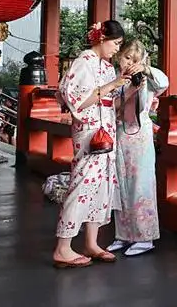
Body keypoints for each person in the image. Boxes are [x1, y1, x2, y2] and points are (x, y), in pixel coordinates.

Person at [52, 20, 143, 269]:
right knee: (82, 185)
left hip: (107, 129)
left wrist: (132, 88)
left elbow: (112, 103)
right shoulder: (84, 61)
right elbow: (78, 101)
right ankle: (63, 247)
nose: (117, 49)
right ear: (101, 39)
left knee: (102, 187)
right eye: (115, 43)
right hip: (90, 131)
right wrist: (113, 85)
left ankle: (91, 243)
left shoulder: (106, 67)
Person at [107, 40, 169, 257]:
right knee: (121, 185)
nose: (129, 63)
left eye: (134, 60)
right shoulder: (113, 79)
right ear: (118, 57)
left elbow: (164, 82)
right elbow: (109, 104)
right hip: (119, 134)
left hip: (140, 137)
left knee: (140, 186)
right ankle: (123, 235)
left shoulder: (147, 79)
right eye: (126, 58)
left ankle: (145, 237)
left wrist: (145, 69)